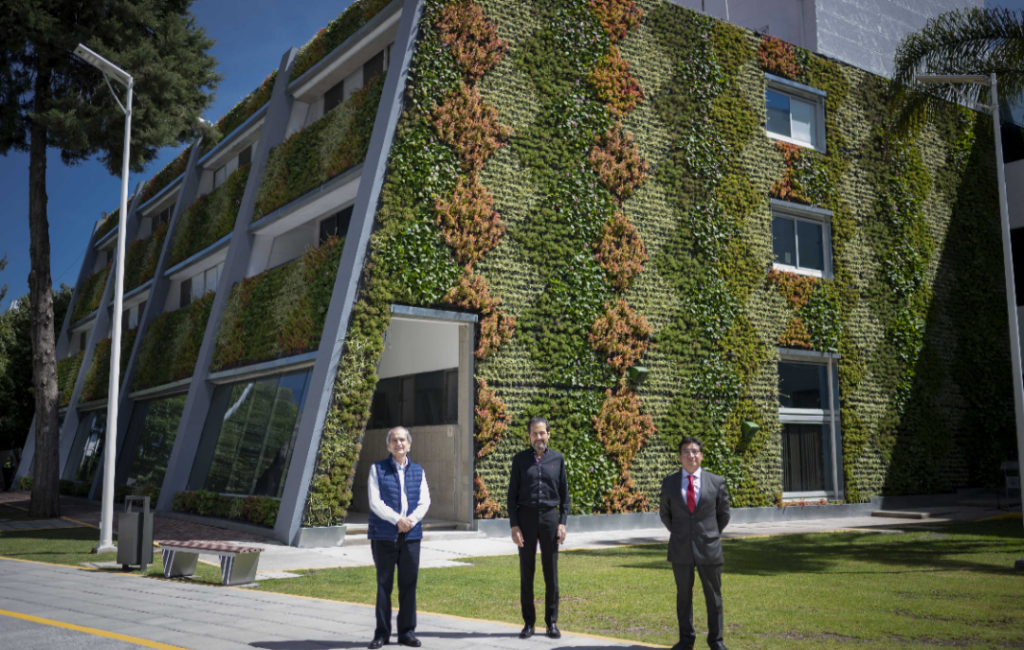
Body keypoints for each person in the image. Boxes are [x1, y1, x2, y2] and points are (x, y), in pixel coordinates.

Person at [660, 436, 731, 650]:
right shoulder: (669, 482)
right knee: (683, 597)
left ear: (701, 455)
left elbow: (724, 514)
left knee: (714, 598)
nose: (691, 455)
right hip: (680, 548)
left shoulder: (716, 482)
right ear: (680, 456)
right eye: (686, 452)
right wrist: (684, 533)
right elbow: (665, 514)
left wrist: (708, 534)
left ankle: (716, 641)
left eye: (695, 451)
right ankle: (686, 639)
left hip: (709, 548)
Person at [367, 426, 431, 649]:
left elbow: (425, 502)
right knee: (384, 585)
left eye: (402, 440)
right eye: (394, 440)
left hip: (411, 536)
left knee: (408, 585)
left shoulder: (419, 471)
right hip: (384, 536)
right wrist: (397, 520)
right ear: (388, 445)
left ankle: (407, 632)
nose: (399, 444)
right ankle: (381, 634)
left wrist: (410, 521)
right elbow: (375, 502)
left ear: (409, 444)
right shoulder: (377, 470)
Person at [507, 416, 570, 640]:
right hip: (525, 519)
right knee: (527, 572)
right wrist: (514, 526)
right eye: (534, 433)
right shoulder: (520, 460)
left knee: (550, 573)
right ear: (529, 436)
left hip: (550, 519)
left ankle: (551, 622)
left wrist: (562, 522)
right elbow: (511, 496)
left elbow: (565, 496)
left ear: (548, 434)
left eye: (542, 433)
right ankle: (528, 623)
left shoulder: (558, 459)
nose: (538, 437)